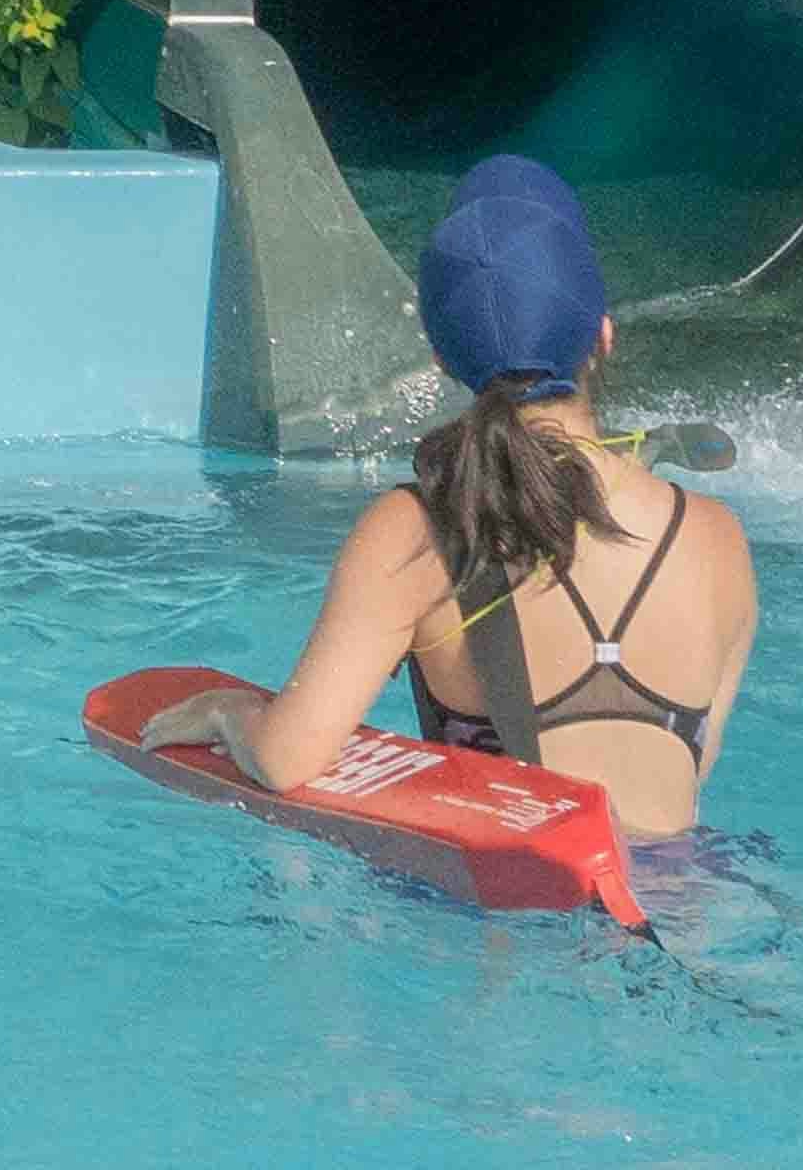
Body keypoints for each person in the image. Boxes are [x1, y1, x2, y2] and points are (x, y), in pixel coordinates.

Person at [238, 156, 757, 842]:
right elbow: (689, 772)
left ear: (442, 359)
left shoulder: (417, 530)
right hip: (692, 902)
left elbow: (284, 759)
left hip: (505, 934)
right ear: (603, 335)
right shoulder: (716, 539)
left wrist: (228, 715)